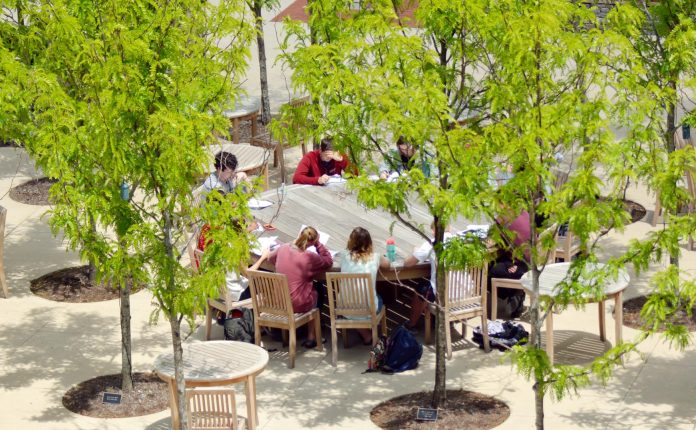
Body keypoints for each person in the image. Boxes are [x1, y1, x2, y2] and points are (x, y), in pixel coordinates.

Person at [268, 226, 333, 348]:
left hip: (278, 302)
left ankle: (294, 333)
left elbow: (270, 257)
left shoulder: (283, 248)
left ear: (299, 235)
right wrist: (318, 245)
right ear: (313, 241)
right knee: (318, 290)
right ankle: (311, 336)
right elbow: (328, 261)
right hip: (296, 304)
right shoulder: (309, 257)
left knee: (310, 289)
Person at [339, 227, 391, 344]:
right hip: (368, 309)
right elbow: (387, 265)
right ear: (369, 242)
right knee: (379, 298)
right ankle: (368, 333)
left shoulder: (344, 255)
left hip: (345, 308)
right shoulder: (375, 256)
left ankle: (366, 334)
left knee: (357, 298)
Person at [402, 224, 452, 330]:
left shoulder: (431, 244)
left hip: (444, 295)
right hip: (464, 293)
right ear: (450, 228)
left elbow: (407, 263)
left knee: (421, 289)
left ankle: (411, 325)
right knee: (429, 286)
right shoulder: (460, 241)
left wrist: (416, 251)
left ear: (434, 231)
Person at [488, 209, 531, 319]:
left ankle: (514, 295)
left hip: (520, 265)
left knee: (489, 272)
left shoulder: (504, 215)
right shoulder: (524, 212)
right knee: (497, 262)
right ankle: (515, 294)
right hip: (529, 261)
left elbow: (491, 238)